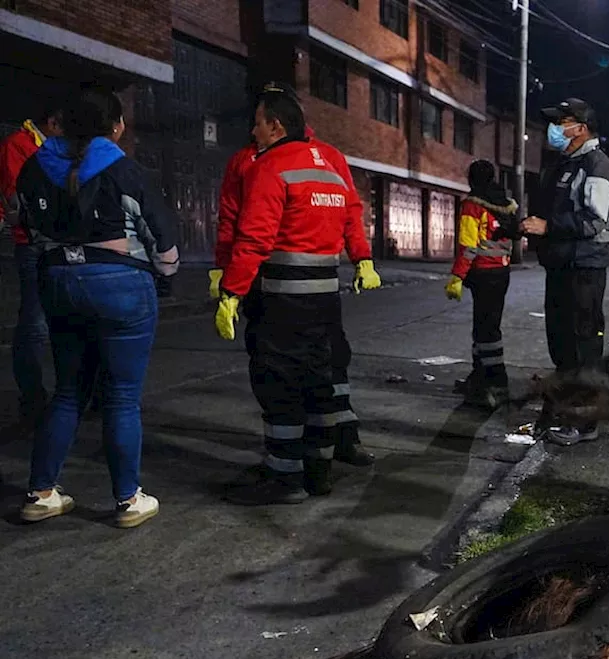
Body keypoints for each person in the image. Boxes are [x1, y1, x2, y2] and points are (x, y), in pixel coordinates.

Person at [16, 86, 178, 527]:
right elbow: (161, 237)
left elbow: (27, 228)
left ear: (61, 123)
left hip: (57, 283)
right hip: (120, 285)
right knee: (122, 397)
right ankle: (127, 499)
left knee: (68, 390)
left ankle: (41, 493)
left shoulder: (34, 168)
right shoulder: (125, 170)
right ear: (116, 126)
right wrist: (166, 274)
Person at [212, 82, 380, 467]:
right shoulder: (259, 161)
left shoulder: (272, 164)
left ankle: (307, 457)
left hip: (272, 285)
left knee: (288, 372)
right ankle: (322, 456)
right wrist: (361, 259)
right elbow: (231, 220)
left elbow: (247, 231)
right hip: (310, 288)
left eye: (258, 122)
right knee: (321, 367)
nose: (252, 130)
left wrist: (230, 287)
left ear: (276, 123)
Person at [525, 98, 609, 447]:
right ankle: (563, 411)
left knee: (582, 348)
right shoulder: (568, 163)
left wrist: (548, 226)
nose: (555, 128)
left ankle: (585, 423)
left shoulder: (596, 165)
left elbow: (595, 221)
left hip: (584, 268)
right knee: (562, 345)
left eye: (562, 121)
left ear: (581, 127)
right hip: (562, 266)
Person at [1, 98, 62, 422]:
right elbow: (18, 197)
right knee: (35, 323)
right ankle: (32, 396)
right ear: (52, 123)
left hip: (55, 242)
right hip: (32, 243)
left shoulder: (48, 148)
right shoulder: (19, 145)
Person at [447, 159, 519, 409]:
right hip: (502, 271)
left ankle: (497, 384)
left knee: (486, 331)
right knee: (485, 327)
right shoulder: (504, 203)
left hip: (483, 274)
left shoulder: (472, 205)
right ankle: (478, 378)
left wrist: (457, 276)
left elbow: (468, 245)